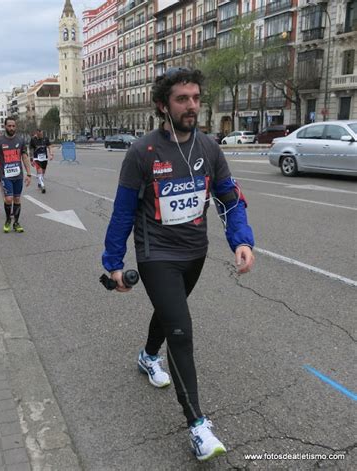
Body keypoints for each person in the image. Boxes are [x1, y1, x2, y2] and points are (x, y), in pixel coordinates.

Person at [102, 67, 255, 462]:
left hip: (194, 253)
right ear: (162, 105)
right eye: (182, 99)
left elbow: (230, 198)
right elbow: (122, 212)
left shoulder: (209, 148)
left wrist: (241, 240)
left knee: (170, 314)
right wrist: (113, 262)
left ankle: (148, 356)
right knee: (182, 330)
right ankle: (198, 426)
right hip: (156, 255)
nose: (191, 106)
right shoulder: (142, 152)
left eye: (195, 98)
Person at [0, 117, 31, 233]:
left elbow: (24, 157)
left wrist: (29, 174)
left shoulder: (21, 140)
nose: (11, 128)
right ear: (5, 127)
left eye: (13, 126)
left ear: (16, 127)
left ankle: (16, 223)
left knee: (17, 198)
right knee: (8, 199)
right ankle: (8, 219)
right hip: (5, 175)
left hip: (18, 175)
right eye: (9, 126)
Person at [29, 129, 53, 193]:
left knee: (43, 172)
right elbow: (31, 149)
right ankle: (43, 186)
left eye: (42, 134)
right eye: (40, 135)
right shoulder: (33, 140)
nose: (41, 135)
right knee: (39, 171)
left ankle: (39, 182)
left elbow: (49, 146)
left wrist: (51, 154)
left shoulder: (45, 138)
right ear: (37, 134)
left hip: (44, 158)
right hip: (37, 158)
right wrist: (31, 159)